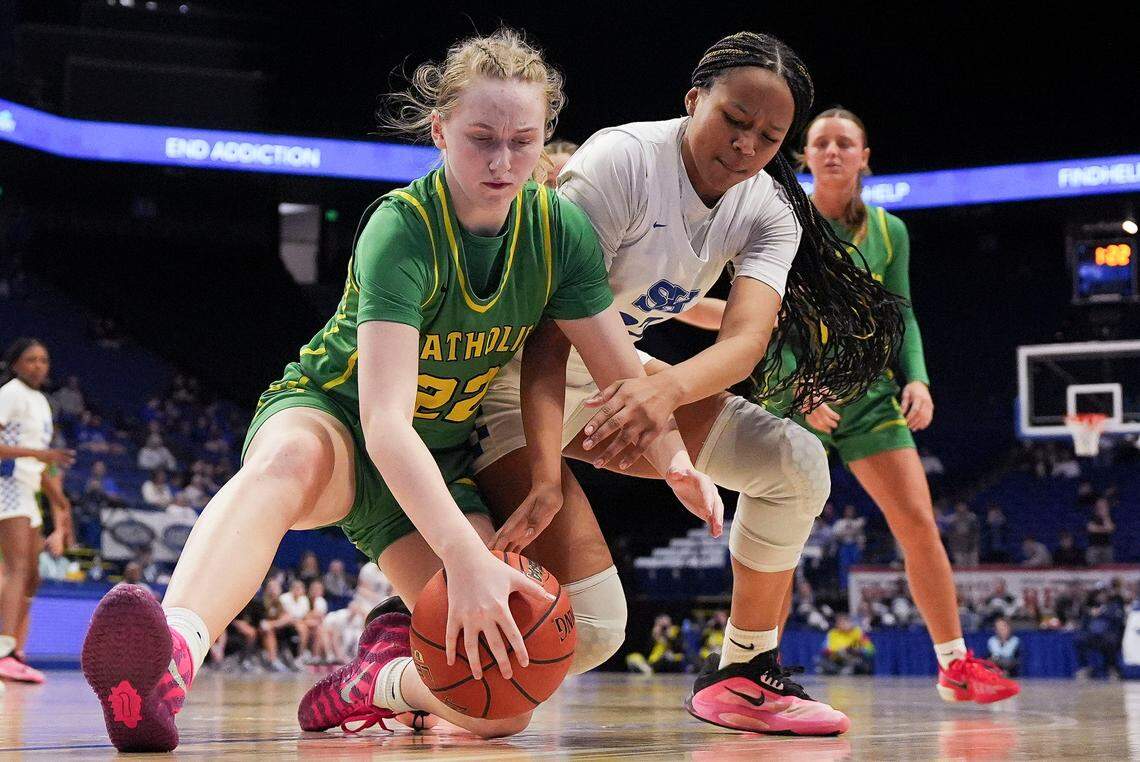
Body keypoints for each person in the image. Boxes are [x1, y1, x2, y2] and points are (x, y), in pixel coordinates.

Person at [81, 28, 722, 753]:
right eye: (482, 137)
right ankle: (169, 660)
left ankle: (380, 683)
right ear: (440, 129)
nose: (504, 160)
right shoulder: (401, 229)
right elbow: (384, 425)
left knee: (506, 693)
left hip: (439, 462)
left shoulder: (559, 232)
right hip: (338, 421)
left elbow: (619, 368)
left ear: (545, 138)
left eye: (523, 140)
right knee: (286, 465)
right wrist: (465, 557)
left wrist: (672, 457)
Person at [474, 31, 906, 737]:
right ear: (694, 99)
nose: (746, 145)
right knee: (591, 631)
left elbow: (745, 340)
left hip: (614, 377)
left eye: (768, 136)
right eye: (734, 120)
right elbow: (550, 340)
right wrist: (551, 472)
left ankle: (742, 670)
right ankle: (405, 651)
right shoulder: (621, 161)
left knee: (797, 466)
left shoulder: (767, 205)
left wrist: (665, 396)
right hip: (513, 386)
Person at [723, 106, 1019, 704]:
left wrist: (919, 379)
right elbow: (768, 318)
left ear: (864, 157)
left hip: (867, 393)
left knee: (918, 523)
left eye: (845, 143)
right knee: (778, 540)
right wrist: (799, 390)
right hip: (793, 390)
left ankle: (953, 665)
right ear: (805, 157)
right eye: (821, 142)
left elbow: (901, 313)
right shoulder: (785, 222)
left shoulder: (890, 231)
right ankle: (754, 672)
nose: (832, 151)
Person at [0, 338, 75, 684]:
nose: (39, 366)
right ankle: (4, 651)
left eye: (44, 360)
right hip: (6, 484)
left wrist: (59, 500)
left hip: (28, 490)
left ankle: (16, 650)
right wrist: (42, 457)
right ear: (15, 364)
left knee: (32, 575)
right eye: (30, 360)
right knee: (17, 570)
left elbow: (45, 464)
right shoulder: (11, 393)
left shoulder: (43, 403)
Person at [947, 502, 980, 568]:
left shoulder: (972, 517)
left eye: (963, 506)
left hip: (971, 545)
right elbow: (950, 533)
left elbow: (976, 531)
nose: (961, 508)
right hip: (958, 545)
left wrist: (973, 541)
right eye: (959, 506)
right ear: (956, 507)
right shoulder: (952, 519)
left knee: (973, 565)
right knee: (960, 565)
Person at [1086, 499, 1115, 566]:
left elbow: (1110, 529)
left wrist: (1105, 516)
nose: (1101, 507)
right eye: (1099, 505)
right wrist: (1105, 529)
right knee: (1092, 568)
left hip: (1106, 547)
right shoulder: (1091, 516)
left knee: (1108, 568)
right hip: (1094, 547)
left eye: (1104, 506)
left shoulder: (1110, 517)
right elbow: (1091, 528)